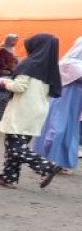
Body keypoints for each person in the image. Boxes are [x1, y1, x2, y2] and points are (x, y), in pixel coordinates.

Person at [0, 33, 62, 189]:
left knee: (14, 146)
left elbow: (19, 87)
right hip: (37, 111)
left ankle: (47, 166)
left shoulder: (29, 64)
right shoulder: (51, 68)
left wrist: (4, 82)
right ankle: (8, 177)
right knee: (20, 144)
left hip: (23, 110)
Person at [32, 36, 82, 173]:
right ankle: (48, 160)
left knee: (68, 129)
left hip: (75, 100)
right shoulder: (70, 63)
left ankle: (59, 161)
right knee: (58, 127)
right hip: (66, 98)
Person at [0, 33, 20, 121]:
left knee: (5, 95)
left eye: (16, 41)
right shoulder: (2, 50)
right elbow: (0, 64)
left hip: (9, 74)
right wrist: (8, 68)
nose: (15, 42)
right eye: (13, 40)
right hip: (2, 74)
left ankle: (0, 114)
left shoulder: (11, 50)